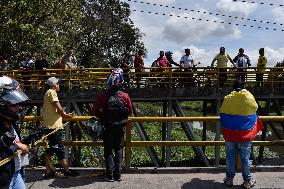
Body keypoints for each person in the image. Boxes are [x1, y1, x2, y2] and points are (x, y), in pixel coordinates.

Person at [220, 81, 263, 189]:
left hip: (230, 134)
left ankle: (229, 179)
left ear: (233, 88)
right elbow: (254, 109)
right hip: (245, 134)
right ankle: (247, 181)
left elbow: (222, 113)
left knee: (230, 158)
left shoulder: (228, 98)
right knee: (245, 158)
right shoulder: (248, 96)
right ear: (243, 87)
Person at [92, 69, 133, 182]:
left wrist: (103, 117)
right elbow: (129, 111)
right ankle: (118, 174)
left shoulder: (103, 96)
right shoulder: (125, 96)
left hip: (108, 126)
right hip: (120, 126)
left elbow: (94, 110)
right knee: (118, 149)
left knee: (108, 150)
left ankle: (109, 175)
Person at [42, 77, 79, 178]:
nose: (59, 86)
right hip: (53, 126)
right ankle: (66, 170)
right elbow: (58, 108)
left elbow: (56, 109)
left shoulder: (47, 93)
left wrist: (64, 113)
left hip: (48, 125)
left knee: (50, 149)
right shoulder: (52, 92)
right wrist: (65, 115)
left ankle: (48, 171)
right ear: (54, 85)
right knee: (59, 148)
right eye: (58, 84)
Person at [0, 76, 29, 188]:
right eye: (13, 104)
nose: (18, 108)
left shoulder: (11, 123)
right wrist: (16, 147)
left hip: (15, 172)